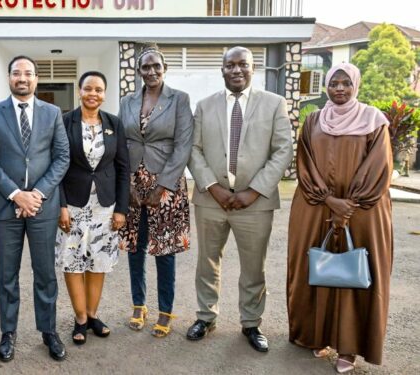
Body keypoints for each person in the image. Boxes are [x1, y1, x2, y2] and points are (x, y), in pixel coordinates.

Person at [287, 63, 392, 373]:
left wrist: (350, 205)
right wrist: (329, 200)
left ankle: (349, 347)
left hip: (363, 211)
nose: (340, 89)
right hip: (316, 205)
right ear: (327, 87)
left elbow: (379, 167)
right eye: (334, 83)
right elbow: (304, 161)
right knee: (318, 268)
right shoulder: (314, 121)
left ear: (355, 85)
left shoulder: (374, 120)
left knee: (354, 274)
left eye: (346, 83)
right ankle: (319, 336)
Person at [187, 46, 293, 352]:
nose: (236, 70)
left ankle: (251, 323)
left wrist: (254, 191)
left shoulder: (274, 104)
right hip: (211, 200)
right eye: (230, 65)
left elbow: (283, 150)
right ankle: (206, 317)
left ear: (253, 68)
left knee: (253, 267)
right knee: (207, 263)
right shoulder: (205, 106)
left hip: (255, 204)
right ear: (222, 70)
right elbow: (193, 149)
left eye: (242, 65)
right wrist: (212, 187)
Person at [0, 55, 70, 362]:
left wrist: (37, 195)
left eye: (28, 73)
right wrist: (17, 194)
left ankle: (49, 332)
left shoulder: (53, 112)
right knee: (7, 275)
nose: (22, 77)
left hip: (43, 208)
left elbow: (62, 158)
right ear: (9, 78)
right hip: (6, 210)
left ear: (36, 79)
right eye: (16, 73)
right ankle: (8, 333)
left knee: (45, 274)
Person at [117, 45, 193, 338]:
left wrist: (162, 186)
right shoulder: (127, 101)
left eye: (156, 66)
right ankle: (138, 305)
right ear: (139, 71)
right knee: (135, 247)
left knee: (164, 250)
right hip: (134, 185)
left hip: (167, 184)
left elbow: (183, 145)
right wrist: (127, 186)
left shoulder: (179, 100)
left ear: (165, 68)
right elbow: (121, 144)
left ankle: (164, 310)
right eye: (145, 67)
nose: (151, 72)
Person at [57, 71, 129, 345]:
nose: (93, 94)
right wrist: (61, 206)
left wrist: (121, 208)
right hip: (73, 205)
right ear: (79, 91)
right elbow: (58, 166)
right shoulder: (65, 122)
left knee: (98, 261)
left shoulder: (114, 123)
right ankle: (80, 319)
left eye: (98, 89)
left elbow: (123, 167)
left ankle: (93, 314)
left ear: (104, 94)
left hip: (105, 205)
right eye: (88, 88)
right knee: (73, 261)